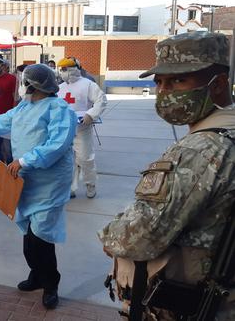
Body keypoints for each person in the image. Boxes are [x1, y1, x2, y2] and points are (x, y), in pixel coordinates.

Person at [99, 31, 235, 321]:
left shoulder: (202, 149)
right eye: (159, 81)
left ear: (219, 84)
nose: (164, 91)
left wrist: (109, 235)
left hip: (187, 307)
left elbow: (139, 237)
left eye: (178, 80)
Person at [0, 64, 77, 310]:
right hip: (25, 181)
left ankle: (51, 284)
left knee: (41, 237)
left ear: (33, 85)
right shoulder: (24, 107)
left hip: (48, 184)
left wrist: (25, 160)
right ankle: (36, 275)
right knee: (29, 233)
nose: (21, 85)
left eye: (24, 81)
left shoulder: (59, 109)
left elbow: (57, 145)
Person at [57, 57, 107, 199]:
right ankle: (70, 187)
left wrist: (91, 115)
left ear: (73, 69)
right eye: (61, 70)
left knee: (85, 159)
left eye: (65, 69)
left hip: (82, 128)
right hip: (64, 129)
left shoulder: (87, 84)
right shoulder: (60, 88)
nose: (62, 72)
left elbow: (101, 100)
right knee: (67, 160)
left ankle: (90, 184)